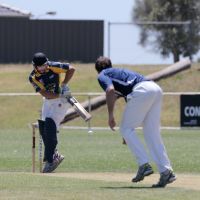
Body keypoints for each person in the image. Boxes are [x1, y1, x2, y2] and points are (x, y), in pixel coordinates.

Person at [95, 56, 176, 187]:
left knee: (125, 129)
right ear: (111, 65)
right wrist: (128, 133)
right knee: (151, 133)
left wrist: (110, 116)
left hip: (142, 91)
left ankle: (144, 164)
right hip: (154, 88)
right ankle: (166, 171)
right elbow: (129, 97)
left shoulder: (102, 75)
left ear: (97, 70)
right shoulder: (120, 71)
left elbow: (110, 91)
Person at [29, 52, 75, 173]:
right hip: (49, 100)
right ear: (35, 66)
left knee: (50, 124)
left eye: (44, 65)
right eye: (40, 67)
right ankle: (54, 155)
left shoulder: (53, 66)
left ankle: (51, 160)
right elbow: (44, 93)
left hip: (60, 101)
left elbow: (71, 69)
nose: (43, 68)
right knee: (43, 126)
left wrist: (64, 84)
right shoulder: (33, 77)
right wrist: (60, 94)